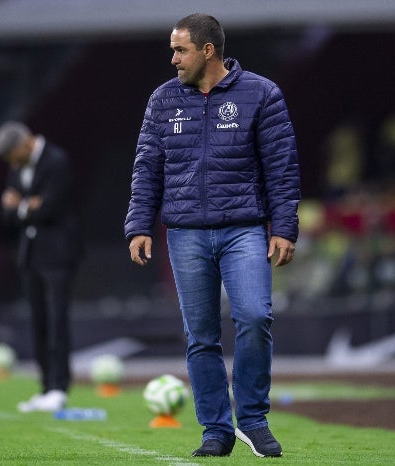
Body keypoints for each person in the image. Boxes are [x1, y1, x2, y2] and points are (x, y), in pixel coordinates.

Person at [124, 14, 300, 458]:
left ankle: (254, 421)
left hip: (244, 229)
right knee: (200, 336)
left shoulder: (261, 94)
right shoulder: (162, 100)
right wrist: (139, 224)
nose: (173, 59)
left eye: (180, 50)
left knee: (255, 318)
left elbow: (282, 168)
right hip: (185, 233)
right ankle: (216, 430)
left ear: (207, 51)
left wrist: (284, 227)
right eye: (172, 49)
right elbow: (147, 168)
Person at [0, 121, 80, 412]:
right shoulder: (18, 166)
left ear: (26, 142)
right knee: (39, 322)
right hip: (30, 254)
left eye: (13, 157)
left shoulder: (56, 161)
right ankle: (45, 386)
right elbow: (6, 213)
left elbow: (51, 208)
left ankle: (60, 387)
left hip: (58, 254)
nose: (12, 164)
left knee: (57, 321)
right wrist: (26, 207)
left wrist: (24, 207)